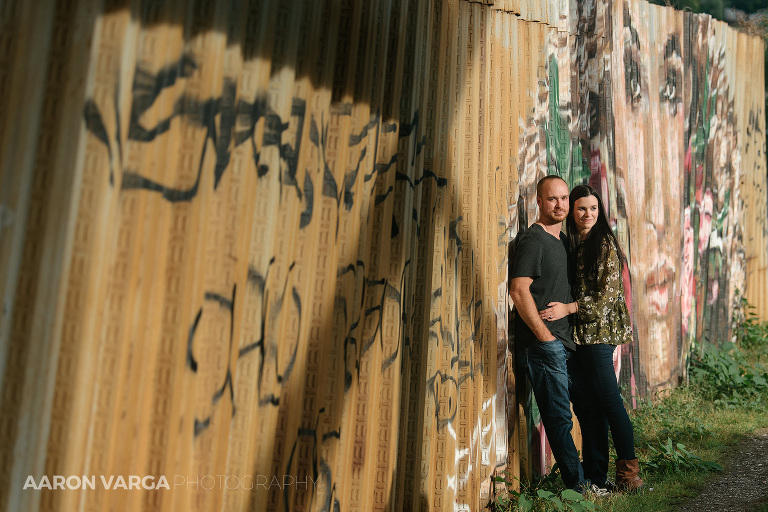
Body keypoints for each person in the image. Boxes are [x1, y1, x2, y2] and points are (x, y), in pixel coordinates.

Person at [538, 184, 644, 492]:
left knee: (611, 402)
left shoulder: (603, 244)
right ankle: (597, 475)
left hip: (599, 336)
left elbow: (606, 299)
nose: (588, 214)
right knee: (593, 408)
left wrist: (568, 308)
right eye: (582, 208)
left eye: (594, 208)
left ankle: (629, 474)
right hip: (581, 338)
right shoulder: (575, 243)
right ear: (572, 211)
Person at [509, 175, 587, 492]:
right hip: (544, 348)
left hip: (566, 345)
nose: (559, 205)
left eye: (564, 198)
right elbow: (518, 290)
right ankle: (577, 489)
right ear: (539, 202)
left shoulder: (564, 241)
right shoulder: (534, 241)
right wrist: (545, 337)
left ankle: (589, 479)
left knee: (586, 411)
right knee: (558, 419)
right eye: (552, 199)